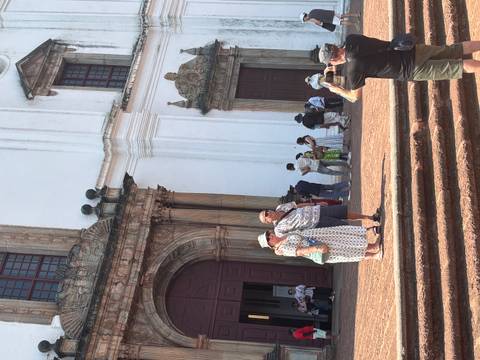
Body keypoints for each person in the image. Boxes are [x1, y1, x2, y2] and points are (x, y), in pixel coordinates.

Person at [316, 35, 480, 102]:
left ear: (334, 59)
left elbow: (354, 97)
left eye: (331, 63)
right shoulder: (351, 39)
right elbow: (360, 53)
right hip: (408, 49)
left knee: (456, 67)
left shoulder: (353, 70)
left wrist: (337, 90)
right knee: (453, 49)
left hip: (409, 69)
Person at [257, 225, 383, 264]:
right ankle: (374, 255)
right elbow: (299, 252)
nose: (271, 236)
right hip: (319, 246)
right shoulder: (281, 249)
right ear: (270, 245)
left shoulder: (282, 235)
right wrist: (317, 248)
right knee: (346, 251)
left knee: (344, 238)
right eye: (268, 239)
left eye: (269, 234)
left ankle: (373, 246)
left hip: (321, 235)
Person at [258, 201, 380, 236]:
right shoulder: (278, 230)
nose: (268, 213)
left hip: (317, 210)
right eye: (266, 216)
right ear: (268, 222)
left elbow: (297, 205)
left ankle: (370, 217)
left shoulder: (281, 207)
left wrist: (315, 204)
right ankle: (370, 230)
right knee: (343, 226)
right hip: (316, 223)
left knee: (345, 213)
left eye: (266, 211)